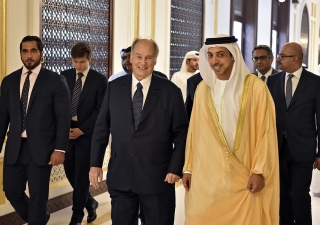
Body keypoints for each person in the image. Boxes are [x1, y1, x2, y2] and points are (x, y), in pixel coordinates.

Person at [89, 37, 188, 225]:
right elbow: (101, 128)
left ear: (155, 60)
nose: (143, 62)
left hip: (158, 178)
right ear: (131, 59)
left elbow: (182, 133)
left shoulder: (170, 91)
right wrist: (95, 164)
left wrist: (175, 168)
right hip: (121, 177)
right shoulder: (114, 87)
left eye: (149, 57)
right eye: (139, 56)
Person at [182, 34, 279, 224]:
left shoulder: (256, 88)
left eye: (220, 55)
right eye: (210, 55)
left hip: (245, 175)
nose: (214, 61)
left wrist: (259, 171)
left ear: (233, 56)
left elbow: (265, 132)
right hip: (208, 176)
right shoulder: (203, 89)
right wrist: (189, 168)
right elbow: (194, 132)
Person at [0, 35, 70, 225]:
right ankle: (39, 219)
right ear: (21, 54)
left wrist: (60, 149)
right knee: (11, 190)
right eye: (25, 51)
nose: (29, 55)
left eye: (33, 51)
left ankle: (37, 219)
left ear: (41, 53)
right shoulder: (8, 81)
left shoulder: (56, 80)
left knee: (38, 197)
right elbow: (2, 118)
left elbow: (63, 118)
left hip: (42, 148)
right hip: (15, 147)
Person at [267, 42, 320, 225]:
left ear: (295, 59)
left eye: (282, 55)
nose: (278, 59)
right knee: (281, 195)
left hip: (302, 149)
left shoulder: (314, 82)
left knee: (299, 194)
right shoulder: (272, 81)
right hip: (277, 149)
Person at [60, 42, 108, 225]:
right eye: (75, 62)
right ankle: (90, 202)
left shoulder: (99, 80)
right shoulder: (64, 76)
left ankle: (76, 217)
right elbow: (59, 105)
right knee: (70, 173)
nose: (78, 66)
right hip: (66, 132)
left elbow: (100, 110)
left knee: (81, 178)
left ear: (89, 59)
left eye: (82, 62)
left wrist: (83, 129)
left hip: (86, 135)